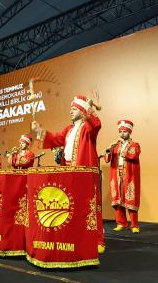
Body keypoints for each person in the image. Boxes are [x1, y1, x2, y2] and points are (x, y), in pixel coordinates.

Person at [31, 95, 105, 253]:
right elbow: (55, 138)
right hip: (69, 172)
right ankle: (75, 237)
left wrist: (89, 108)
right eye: (70, 108)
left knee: (91, 206)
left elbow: (96, 125)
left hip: (84, 172)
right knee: (72, 206)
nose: (70, 111)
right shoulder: (68, 130)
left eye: (74, 109)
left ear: (82, 110)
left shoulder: (87, 128)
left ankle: (97, 239)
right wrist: (39, 131)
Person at [104, 120, 141, 233]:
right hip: (116, 175)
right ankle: (121, 223)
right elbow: (107, 159)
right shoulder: (115, 145)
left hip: (129, 175)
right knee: (117, 201)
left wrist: (122, 151)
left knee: (130, 199)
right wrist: (109, 149)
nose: (122, 134)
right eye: (120, 132)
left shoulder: (135, 145)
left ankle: (134, 225)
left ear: (129, 132)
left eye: (125, 131)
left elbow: (134, 155)